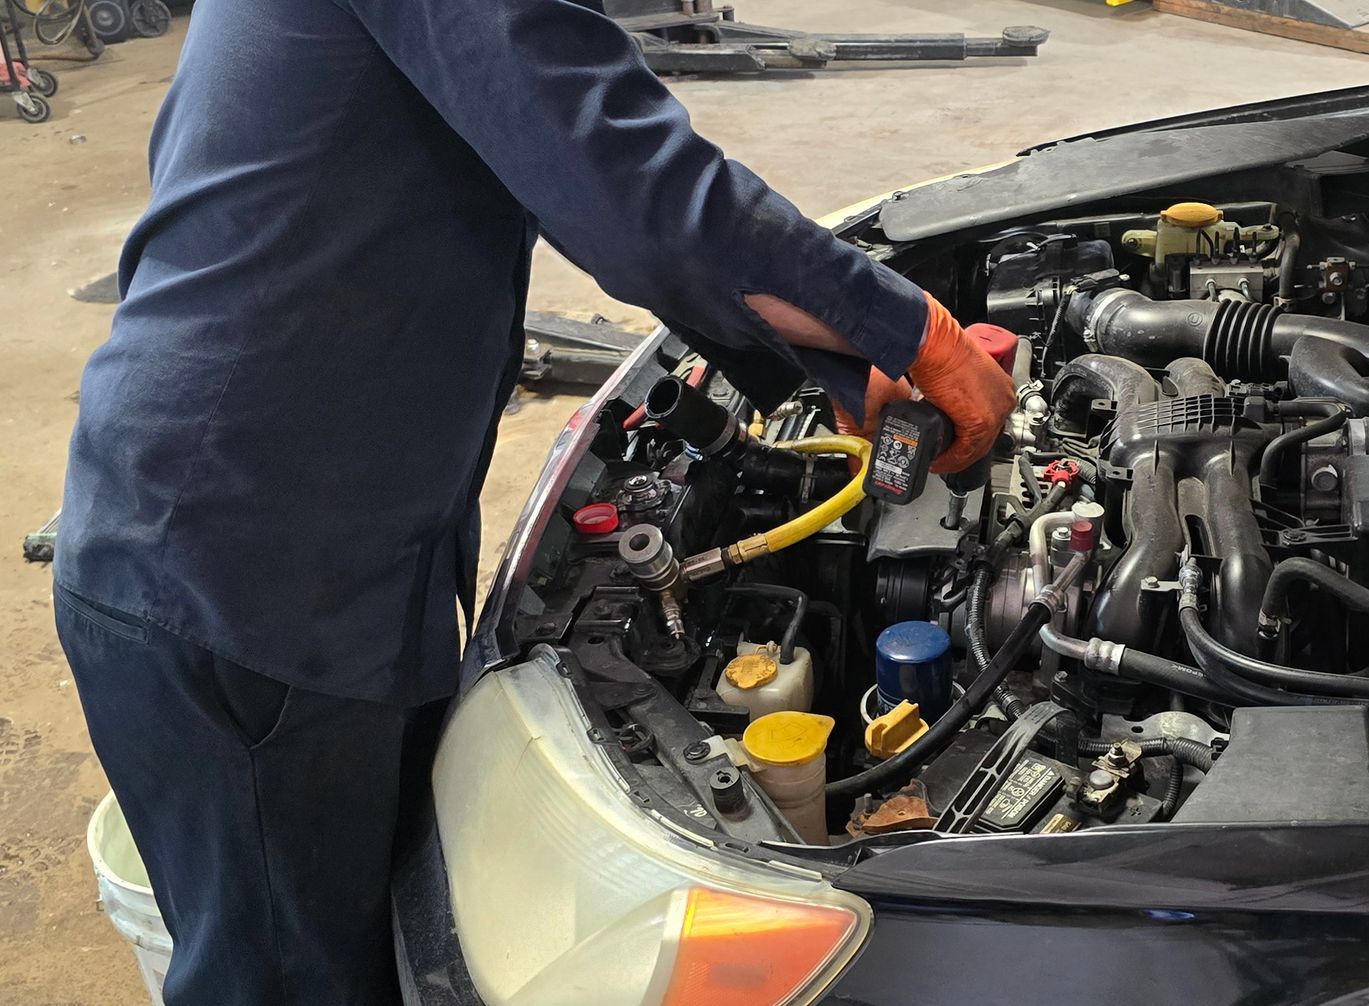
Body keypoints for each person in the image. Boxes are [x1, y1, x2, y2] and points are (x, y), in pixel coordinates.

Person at [50, 0, 1014, 1001]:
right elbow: (634, 192)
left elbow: (567, 169)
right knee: (291, 981)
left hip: (290, 538)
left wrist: (840, 367)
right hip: (244, 567)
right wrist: (911, 330)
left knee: (371, 933)